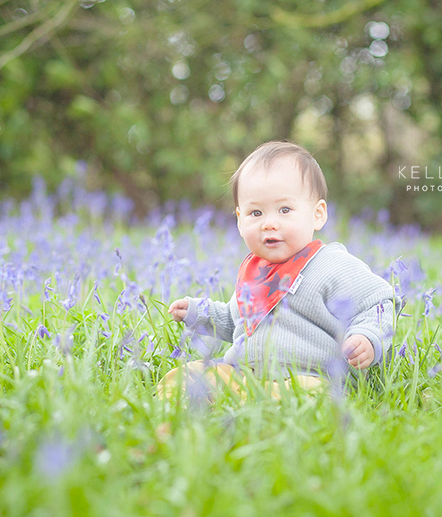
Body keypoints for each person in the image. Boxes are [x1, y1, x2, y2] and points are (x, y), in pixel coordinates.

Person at [162, 140, 396, 399]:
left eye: (285, 210)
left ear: (317, 214)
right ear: (239, 221)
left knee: (308, 394)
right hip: (244, 373)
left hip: (309, 376)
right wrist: (199, 313)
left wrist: (367, 338)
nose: (269, 223)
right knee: (189, 375)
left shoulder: (333, 264)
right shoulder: (254, 271)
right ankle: (205, 404)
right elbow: (235, 321)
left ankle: (253, 405)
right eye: (256, 213)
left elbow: (377, 303)